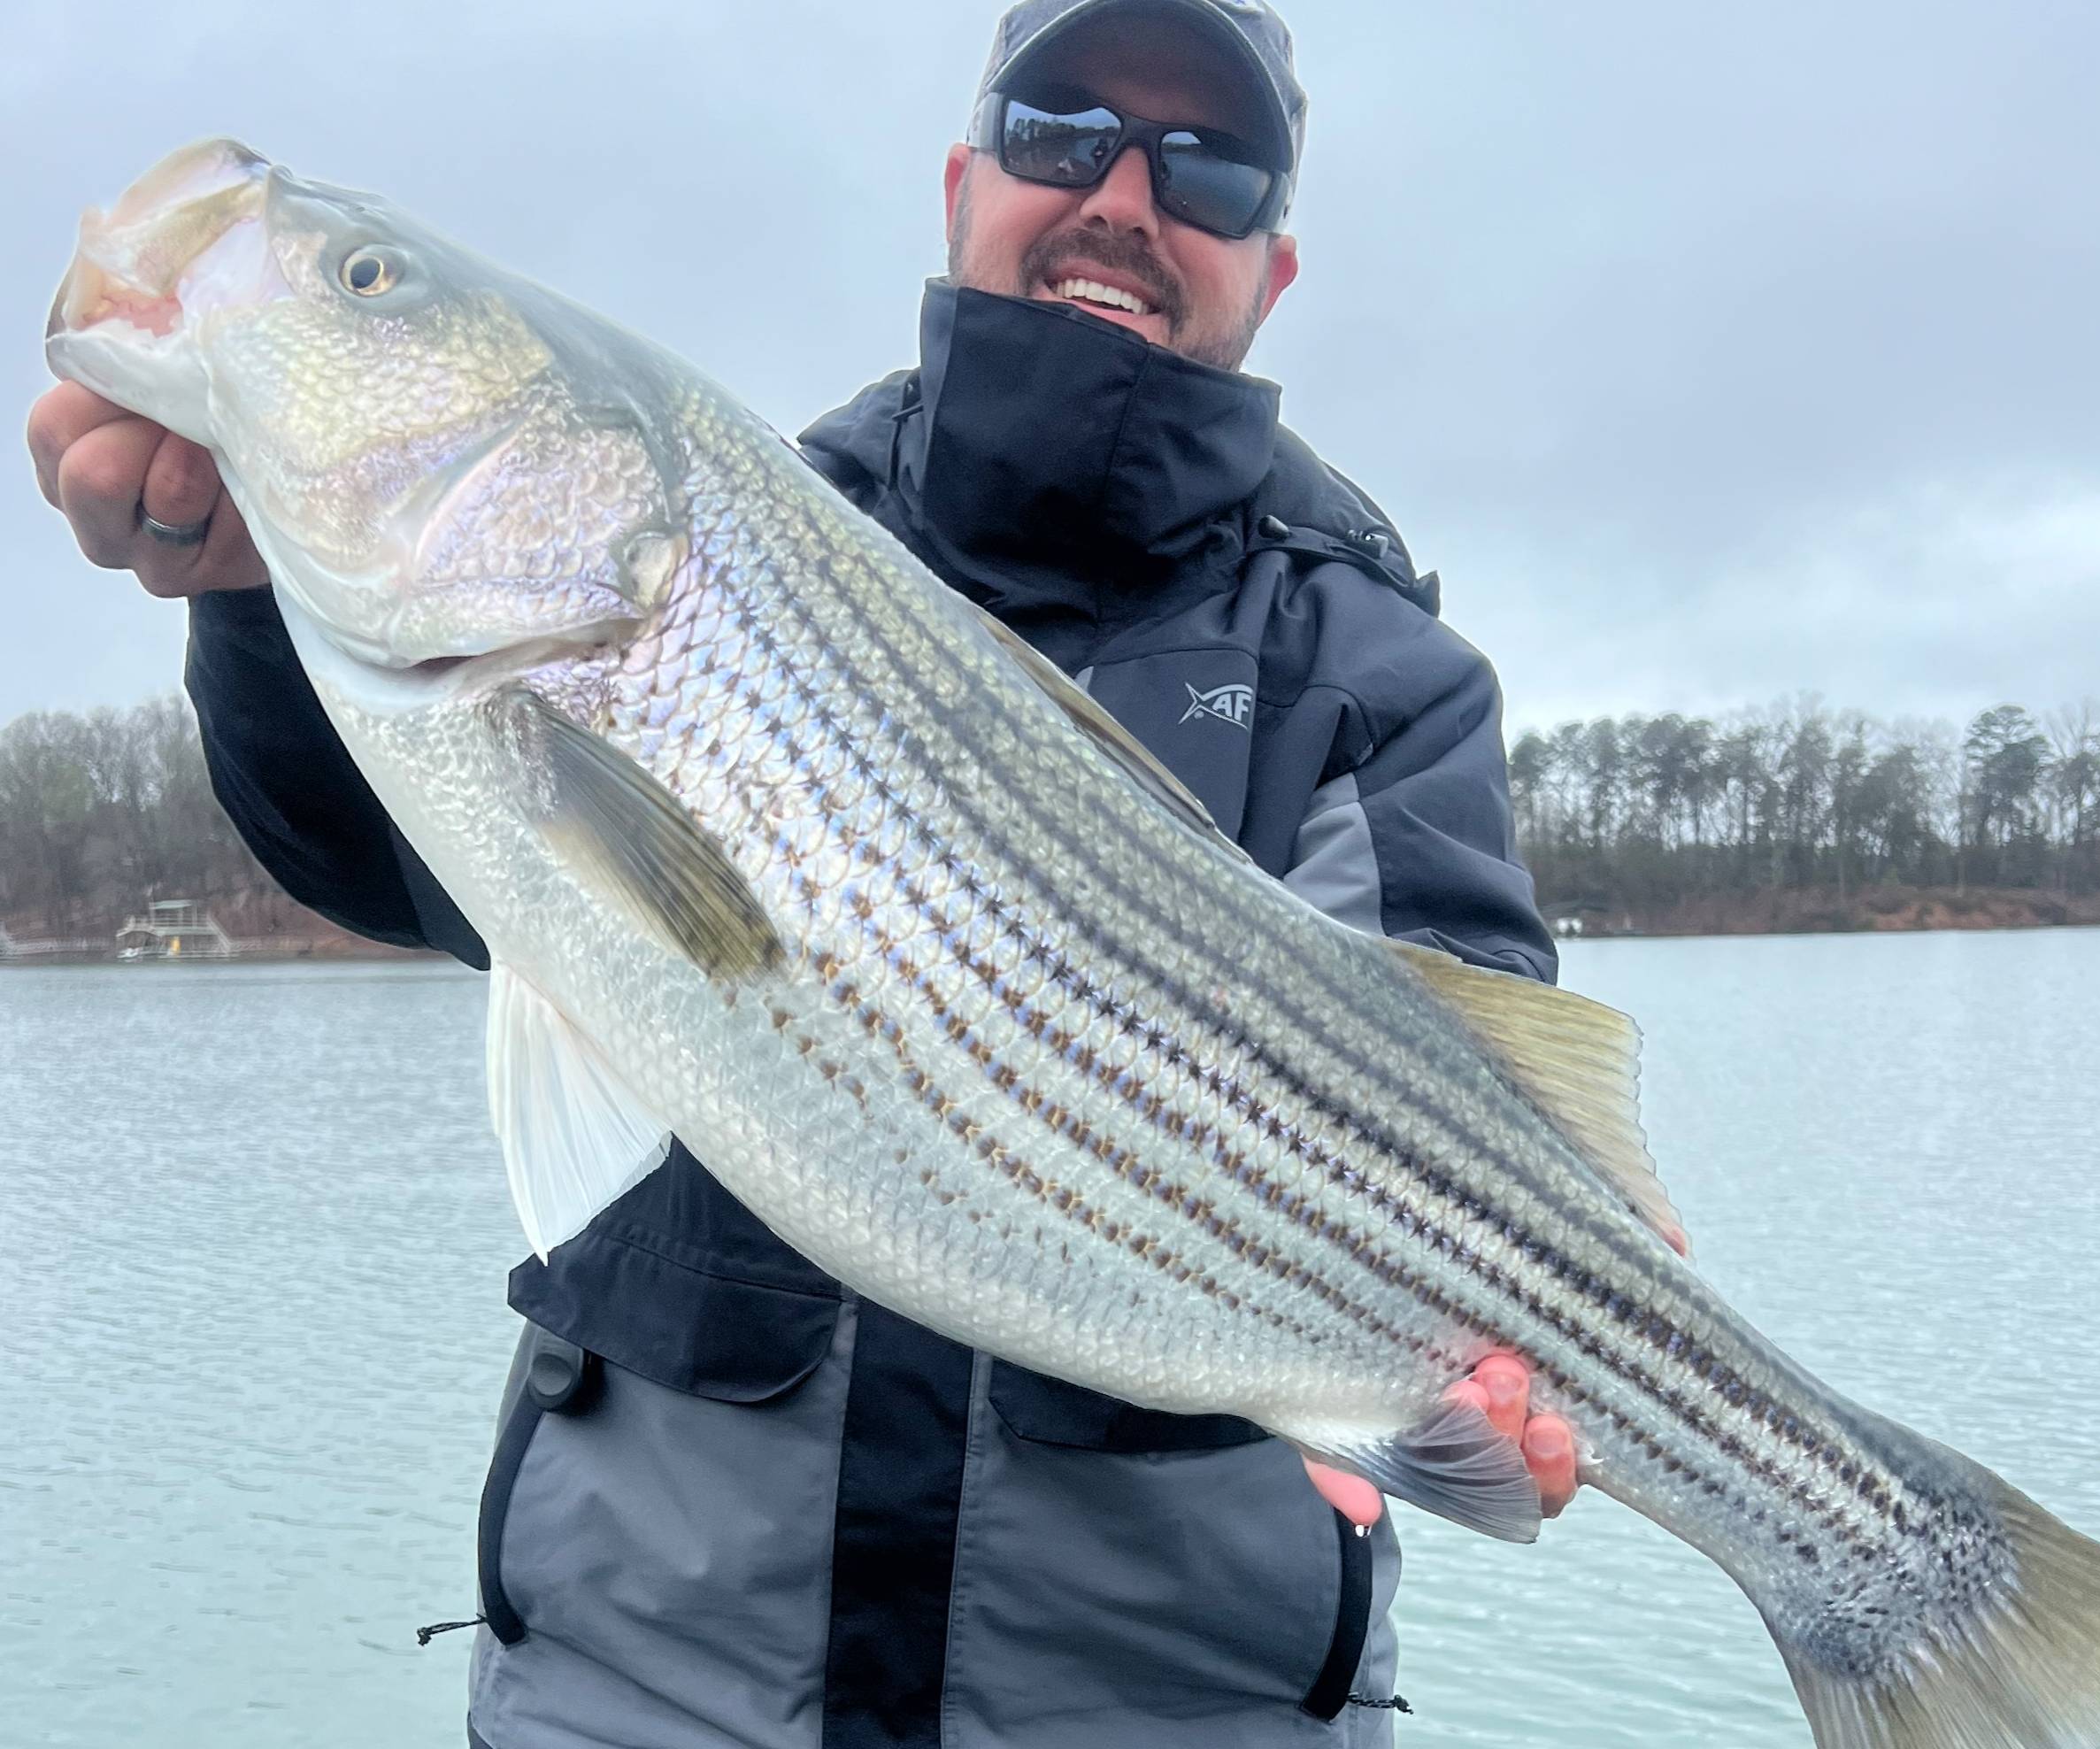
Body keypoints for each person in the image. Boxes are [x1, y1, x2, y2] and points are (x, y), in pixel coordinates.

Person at [27, 3, 1586, 1743]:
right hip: (645, 1688)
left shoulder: (1370, 666)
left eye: (1206, 165)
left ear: (1273, 267)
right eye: (1063, 127)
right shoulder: (743, 529)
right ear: (963, 179)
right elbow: (407, 872)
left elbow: (1472, 1068)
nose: (1125, 198)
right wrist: (249, 596)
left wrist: (1518, 1321)